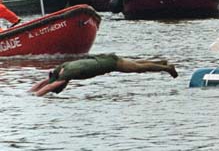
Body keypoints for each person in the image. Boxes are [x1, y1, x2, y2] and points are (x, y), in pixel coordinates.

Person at [29, 54, 178, 96]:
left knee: (138, 68)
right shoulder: (61, 68)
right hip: (104, 58)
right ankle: (160, 62)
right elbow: (46, 82)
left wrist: (36, 97)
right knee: (136, 63)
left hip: (110, 64)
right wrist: (30, 92)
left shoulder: (66, 74)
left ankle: (166, 68)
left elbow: (50, 86)